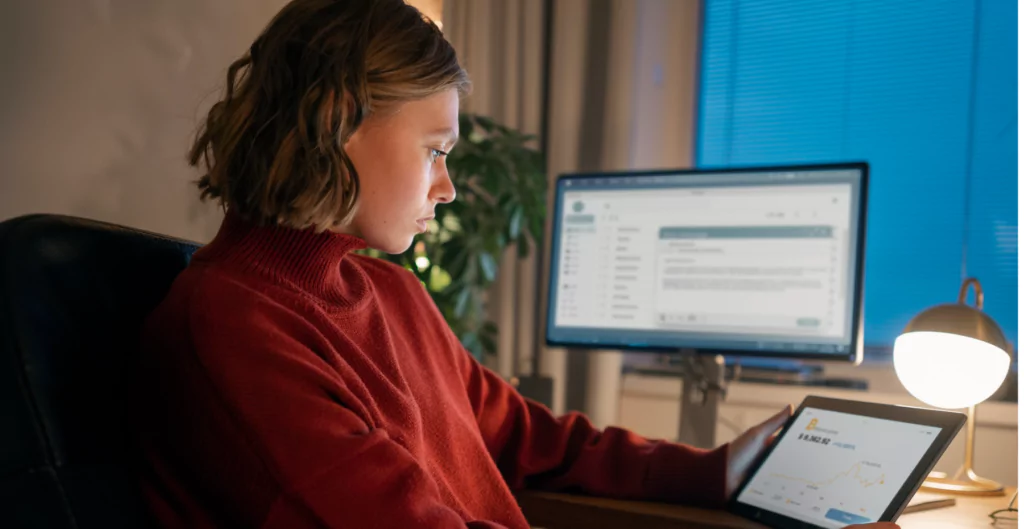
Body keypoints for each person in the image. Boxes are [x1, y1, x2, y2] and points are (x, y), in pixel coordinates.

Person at [134, 1, 899, 528]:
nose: (448, 184)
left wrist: (714, 470)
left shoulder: (387, 293)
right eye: (435, 150)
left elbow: (532, 439)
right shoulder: (230, 325)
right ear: (338, 120)